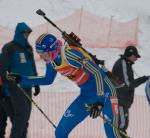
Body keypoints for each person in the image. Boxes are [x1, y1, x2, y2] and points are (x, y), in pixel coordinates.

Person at [7, 33, 123, 138]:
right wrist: (21, 79)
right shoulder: (52, 61)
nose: (41, 57)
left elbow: (97, 73)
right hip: (86, 96)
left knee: (111, 133)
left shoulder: (70, 54)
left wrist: (99, 101)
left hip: (105, 92)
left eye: (42, 54)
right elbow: (48, 79)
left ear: (51, 50)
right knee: (60, 132)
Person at [1, 22, 40, 138]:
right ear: (19, 33)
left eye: (28, 33)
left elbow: (32, 66)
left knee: (25, 118)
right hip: (15, 87)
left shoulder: (28, 48)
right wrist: (7, 84)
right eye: (24, 32)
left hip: (28, 86)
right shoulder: (9, 47)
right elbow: (3, 68)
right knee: (21, 116)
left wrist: (36, 83)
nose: (26, 35)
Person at [112, 45, 149, 137]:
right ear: (130, 54)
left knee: (123, 124)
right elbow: (127, 85)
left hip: (123, 101)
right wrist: (144, 79)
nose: (136, 58)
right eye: (135, 56)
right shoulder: (123, 63)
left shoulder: (126, 64)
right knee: (121, 125)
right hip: (120, 100)